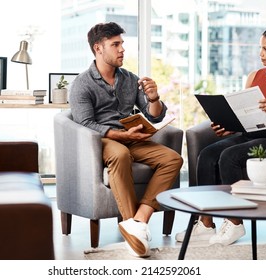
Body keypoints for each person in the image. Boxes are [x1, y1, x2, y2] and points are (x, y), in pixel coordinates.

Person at [176, 25, 266, 245]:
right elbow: (245, 113)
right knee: (207, 154)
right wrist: (230, 126)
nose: (261, 54)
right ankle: (206, 223)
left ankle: (235, 223)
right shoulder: (254, 76)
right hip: (250, 133)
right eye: (260, 48)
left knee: (230, 156)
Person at [69, 22, 183, 257]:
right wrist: (120, 135)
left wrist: (153, 98)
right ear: (98, 48)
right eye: (116, 44)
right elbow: (85, 124)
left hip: (132, 138)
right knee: (120, 154)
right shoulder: (82, 84)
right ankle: (133, 227)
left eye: (122, 44)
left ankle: (138, 222)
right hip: (103, 140)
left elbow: (155, 114)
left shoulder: (130, 79)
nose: (122, 49)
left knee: (173, 159)